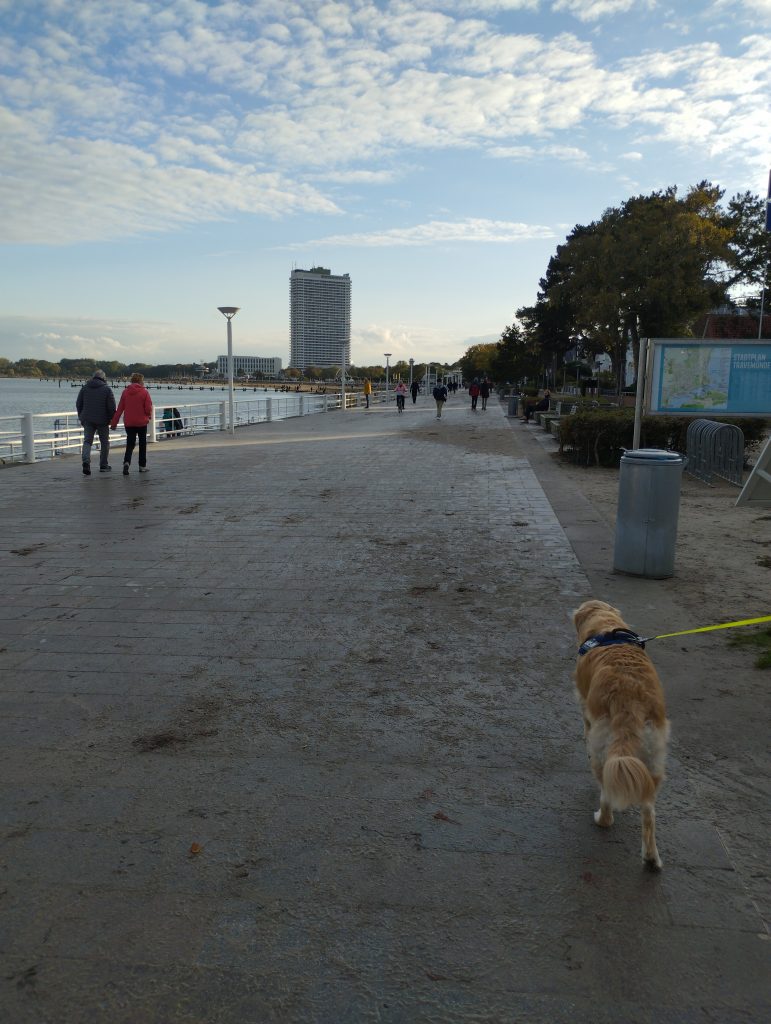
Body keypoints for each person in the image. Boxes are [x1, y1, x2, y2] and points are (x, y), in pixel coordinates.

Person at [111, 373, 153, 475]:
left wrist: (114, 423)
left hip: (129, 423)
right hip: (142, 422)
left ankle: (126, 462)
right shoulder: (145, 392)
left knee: (130, 444)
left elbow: (120, 409)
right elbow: (148, 408)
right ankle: (142, 466)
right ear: (140, 381)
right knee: (142, 444)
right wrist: (149, 415)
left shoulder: (125, 392)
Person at [76, 369, 116, 475]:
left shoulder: (84, 388)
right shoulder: (107, 389)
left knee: (87, 441)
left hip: (87, 419)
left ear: (93, 377)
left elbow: (78, 403)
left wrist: (81, 416)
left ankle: (86, 462)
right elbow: (111, 407)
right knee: (104, 442)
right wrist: (112, 419)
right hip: (102, 420)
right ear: (103, 378)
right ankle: (103, 465)